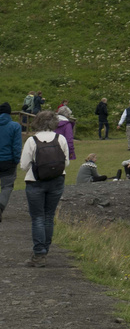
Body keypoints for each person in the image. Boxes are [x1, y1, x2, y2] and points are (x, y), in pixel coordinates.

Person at [19, 110, 70, 265]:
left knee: (38, 218)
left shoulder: (32, 140)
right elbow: (66, 162)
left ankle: (39, 254)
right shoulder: (60, 138)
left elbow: (23, 165)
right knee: (49, 216)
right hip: (57, 180)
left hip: (35, 181)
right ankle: (45, 250)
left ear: (37, 122)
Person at [0, 102, 21, 224]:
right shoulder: (15, 126)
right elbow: (16, 146)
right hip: (8, 161)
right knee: (7, 186)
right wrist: (16, 160)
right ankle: (1, 206)